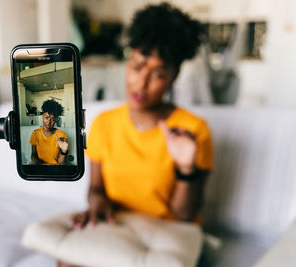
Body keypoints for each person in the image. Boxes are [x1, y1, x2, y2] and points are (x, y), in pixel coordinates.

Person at [71, 3, 213, 228]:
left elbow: (184, 215)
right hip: (118, 224)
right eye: (137, 67)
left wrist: (187, 169)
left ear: (173, 78)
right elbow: (96, 189)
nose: (141, 83)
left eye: (158, 74)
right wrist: (98, 203)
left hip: (167, 232)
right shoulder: (104, 123)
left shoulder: (193, 129)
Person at [30, 99, 69, 165]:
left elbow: (61, 163)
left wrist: (64, 151)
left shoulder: (61, 135)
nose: (48, 123)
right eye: (46, 117)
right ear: (42, 117)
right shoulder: (35, 133)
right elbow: (33, 155)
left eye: (53, 119)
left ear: (56, 120)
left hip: (55, 170)